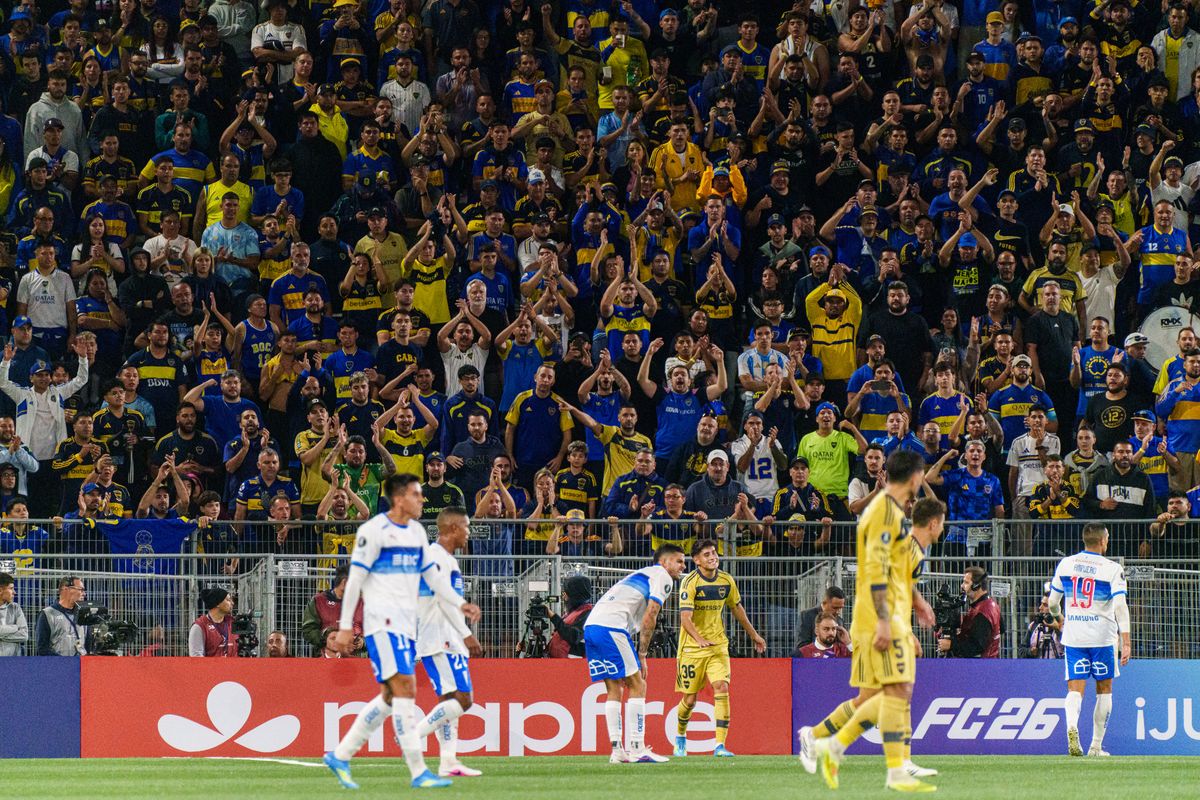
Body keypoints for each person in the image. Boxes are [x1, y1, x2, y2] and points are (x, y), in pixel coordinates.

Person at [322, 474, 481, 791]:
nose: (422, 500)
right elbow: (355, 579)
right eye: (417, 495)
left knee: (391, 697)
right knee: (406, 692)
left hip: (407, 626)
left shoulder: (418, 533)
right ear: (399, 499)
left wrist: (460, 603)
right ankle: (419, 771)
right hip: (383, 622)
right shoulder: (374, 531)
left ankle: (341, 754)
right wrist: (343, 626)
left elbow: (433, 579)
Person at [802, 470, 944, 791]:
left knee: (890, 694)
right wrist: (900, 629)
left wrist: (917, 607)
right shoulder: (903, 539)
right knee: (891, 693)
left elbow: (903, 585)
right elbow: (887, 582)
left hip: (887, 620)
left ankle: (894, 760)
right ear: (934, 523)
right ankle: (827, 742)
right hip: (876, 622)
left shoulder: (913, 547)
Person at [582, 542, 685, 764]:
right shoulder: (662, 576)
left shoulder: (642, 574)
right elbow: (651, 615)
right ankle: (637, 748)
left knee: (614, 688)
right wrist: (642, 654)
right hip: (612, 628)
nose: (682, 566)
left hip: (592, 627)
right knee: (638, 685)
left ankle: (617, 750)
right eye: (679, 561)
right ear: (664, 562)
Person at [673, 538, 766, 758]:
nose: (713, 557)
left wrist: (754, 635)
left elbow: (737, 608)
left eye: (714, 552)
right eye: (706, 554)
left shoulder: (726, 580)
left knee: (721, 687)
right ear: (696, 560)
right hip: (691, 649)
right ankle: (680, 737)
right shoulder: (690, 583)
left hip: (717, 645)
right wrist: (698, 638)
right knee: (690, 699)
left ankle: (719, 746)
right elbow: (685, 618)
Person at [411, 506, 484, 778]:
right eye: (466, 527)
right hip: (442, 638)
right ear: (452, 528)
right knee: (464, 700)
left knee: (448, 703)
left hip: (441, 638)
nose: (469, 532)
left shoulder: (445, 559)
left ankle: (448, 762)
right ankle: (412, 735)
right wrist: (466, 634)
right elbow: (442, 600)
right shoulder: (437, 557)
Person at [1048, 523, 1131, 758]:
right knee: (1104, 690)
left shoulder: (1066, 564)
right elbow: (1120, 606)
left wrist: (1059, 618)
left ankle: (1072, 727)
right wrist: (1126, 641)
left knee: (1075, 689)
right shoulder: (1112, 569)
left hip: (1074, 635)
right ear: (1104, 541)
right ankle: (1095, 746)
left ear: (1085, 540)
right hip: (1102, 637)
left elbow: (1053, 602)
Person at [937, 567, 1003, 658]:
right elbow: (1001, 629)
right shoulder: (992, 604)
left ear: (976, 586)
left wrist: (951, 645)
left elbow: (976, 647)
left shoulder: (982, 612)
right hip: (989, 662)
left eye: (966, 582)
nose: (962, 586)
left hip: (980, 667)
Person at [300, 564, 363, 656]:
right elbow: (308, 630)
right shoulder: (318, 601)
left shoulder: (362, 602)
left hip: (356, 660)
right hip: (326, 660)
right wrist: (326, 641)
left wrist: (362, 642)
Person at [34, 575, 90, 656]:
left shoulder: (84, 614)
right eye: (80, 590)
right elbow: (42, 649)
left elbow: (87, 647)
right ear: (66, 589)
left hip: (81, 666)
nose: (84, 594)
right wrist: (64, 662)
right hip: (58, 667)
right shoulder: (47, 614)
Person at [547, 574, 595, 658]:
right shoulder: (573, 613)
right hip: (561, 663)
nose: (563, 596)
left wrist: (553, 617)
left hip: (572, 666)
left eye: (566, 592)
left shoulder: (587, 614)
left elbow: (574, 636)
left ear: (575, 594)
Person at [188, 587, 238, 657]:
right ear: (217, 603)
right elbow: (196, 657)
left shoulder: (232, 622)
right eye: (228, 600)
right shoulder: (200, 626)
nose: (232, 603)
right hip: (211, 667)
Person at [796, 586, 847, 650]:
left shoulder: (840, 621)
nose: (838, 612)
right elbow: (801, 646)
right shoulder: (807, 616)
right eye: (835, 608)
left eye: (840, 608)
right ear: (824, 603)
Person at [0, 572, 28, 656]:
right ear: (0, 590)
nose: (14, 592)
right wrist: (14, 628)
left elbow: (24, 635)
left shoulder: (16, 608)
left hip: (13, 663)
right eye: (11, 588)